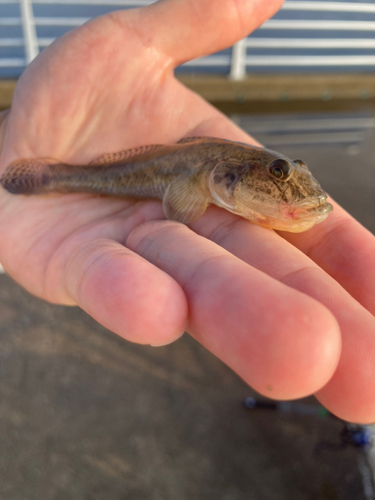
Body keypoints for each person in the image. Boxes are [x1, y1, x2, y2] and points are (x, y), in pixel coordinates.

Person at [0, 0, 374, 423]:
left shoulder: (233, 172)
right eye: (278, 173)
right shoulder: (209, 172)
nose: (286, 182)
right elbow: (182, 203)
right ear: (224, 175)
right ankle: (52, 177)